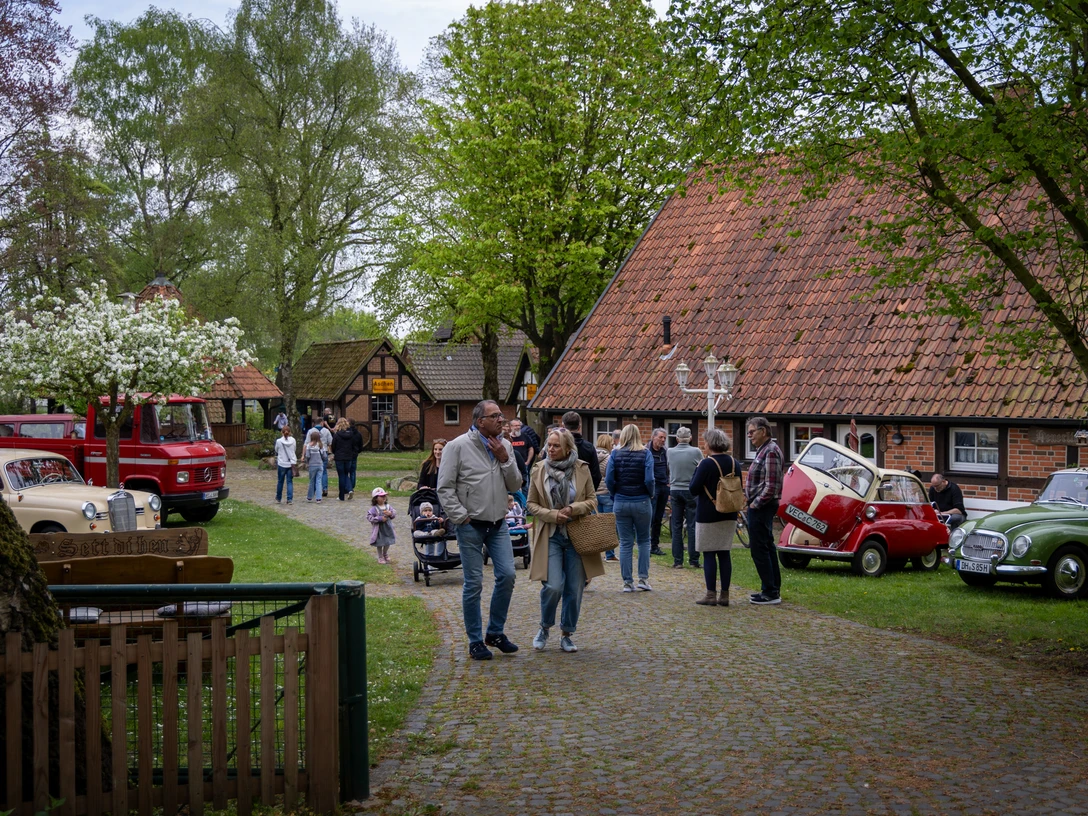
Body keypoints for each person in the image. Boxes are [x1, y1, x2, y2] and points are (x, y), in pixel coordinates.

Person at [437, 400, 524, 660]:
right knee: (474, 583)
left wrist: (505, 459)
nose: (501, 420)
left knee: (508, 576)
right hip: (470, 526)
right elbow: (445, 487)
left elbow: (516, 483)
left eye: (501, 415)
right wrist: (461, 517)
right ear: (480, 421)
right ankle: (475, 640)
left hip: (498, 524)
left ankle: (495, 632)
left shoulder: (505, 445)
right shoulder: (457, 447)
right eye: (494, 416)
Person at [526, 427, 603, 653]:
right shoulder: (539, 469)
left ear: (568, 447)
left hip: (577, 535)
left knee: (574, 587)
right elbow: (531, 504)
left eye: (556, 445)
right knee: (553, 586)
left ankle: (567, 633)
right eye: (549, 444)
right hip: (551, 534)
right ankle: (544, 626)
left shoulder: (582, 469)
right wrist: (552, 514)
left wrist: (573, 508)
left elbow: (592, 500)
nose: (551, 449)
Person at [688, 428, 740, 606]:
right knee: (724, 553)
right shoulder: (735, 463)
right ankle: (725, 595)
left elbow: (693, 488)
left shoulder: (706, 464)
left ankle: (711, 594)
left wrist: (697, 471)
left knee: (709, 553)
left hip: (708, 513)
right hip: (729, 512)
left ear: (710, 444)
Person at [605, 424, 655, 592]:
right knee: (644, 540)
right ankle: (643, 578)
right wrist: (651, 493)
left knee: (625, 543)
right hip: (641, 500)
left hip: (621, 501)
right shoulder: (646, 453)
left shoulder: (615, 454)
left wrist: (615, 494)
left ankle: (627, 582)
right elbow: (649, 479)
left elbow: (609, 479)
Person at [745, 416, 784, 605]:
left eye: (752, 432)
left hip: (762, 506)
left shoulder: (770, 451)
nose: (749, 435)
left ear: (764, 431)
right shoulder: (764, 450)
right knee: (767, 546)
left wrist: (755, 503)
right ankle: (772, 588)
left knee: (760, 549)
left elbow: (772, 485)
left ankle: (770, 592)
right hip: (761, 505)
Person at [667, 426, 703, 568]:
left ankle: (678, 561)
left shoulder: (670, 452)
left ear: (676, 438)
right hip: (691, 490)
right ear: (690, 438)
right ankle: (694, 560)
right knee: (692, 525)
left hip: (675, 490)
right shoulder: (696, 451)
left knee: (676, 525)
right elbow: (701, 468)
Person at [595, 433, 618, 561]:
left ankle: (596, 553)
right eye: (611, 443)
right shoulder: (609, 458)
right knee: (609, 525)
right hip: (606, 493)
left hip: (594, 493)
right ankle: (609, 554)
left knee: (595, 525)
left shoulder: (592, 456)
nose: (613, 445)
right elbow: (610, 476)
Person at [648, 428, 670, 556]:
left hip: (663, 486)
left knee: (658, 518)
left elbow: (669, 467)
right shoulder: (647, 451)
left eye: (664, 438)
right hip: (653, 486)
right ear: (653, 437)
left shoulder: (665, 452)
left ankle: (654, 545)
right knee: (650, 517)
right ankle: (646, 545)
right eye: (661, 437)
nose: (663, 440)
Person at [367, 487, 397, 564]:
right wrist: (380, 518)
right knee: (380, 543)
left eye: (384, 496)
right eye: (381, 496)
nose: (384, 497)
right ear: (375, 498)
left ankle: (385, 553)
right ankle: (380, 557)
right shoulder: (374, 509)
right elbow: (369, 517)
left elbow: (394, 514)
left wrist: (390, 514)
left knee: (388, 541)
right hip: (379, 529)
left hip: (388, 528)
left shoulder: (388, 506)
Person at [331, 418, 356, 501]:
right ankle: (350, 489)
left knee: (341, 476)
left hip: (339, 457)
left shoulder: (337, 435)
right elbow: (353, 446)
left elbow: (333, 446)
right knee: (346, 474)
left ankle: (341, 495)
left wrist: (335, 453)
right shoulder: (351, 434)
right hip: (348, 457)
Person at [508, 419, 536, 487]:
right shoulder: (508, 438)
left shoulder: (525, 436)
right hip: (511, 465)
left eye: (519, 425)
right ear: (511, 427)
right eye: (516, 425)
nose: (518, 427)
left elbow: (531, 449)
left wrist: (528, 461)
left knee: (525, 485)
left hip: (524, 465)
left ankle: (525, 497)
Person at [273, 425, 296, 504]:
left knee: (280, 481)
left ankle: (278, 498)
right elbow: (294, 449)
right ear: (290, 432)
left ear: (281, 432)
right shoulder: (293, 440)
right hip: (290, 463)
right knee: (289, 482)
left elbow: (276, 449)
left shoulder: (279, 441)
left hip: (282, 463)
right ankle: (289, 499)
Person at [302, 429, 326, 503]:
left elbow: (308, 456)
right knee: (318, 481)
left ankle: (309, 497)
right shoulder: (321, 445)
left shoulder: (309, 445)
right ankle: (319, 498)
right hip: (320, 465)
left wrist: (307, 461)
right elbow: (324, 456)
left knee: (312, 481)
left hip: (312, 465)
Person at [347, 419, 364, 495]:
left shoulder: (347, 433)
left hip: (348, 454)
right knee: (353, 471)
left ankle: (349, 487)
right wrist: (358, 451)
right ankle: (352, 486)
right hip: (355, 453)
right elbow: (361, 444)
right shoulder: (358, 433)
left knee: (346, 471)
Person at [319, 418, 333, 498]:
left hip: (314, 452)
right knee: (323, 471)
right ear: (322, 423)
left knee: (314, 471)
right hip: (324, 451)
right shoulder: (326, 431)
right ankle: (325, 488)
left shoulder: (311, 431)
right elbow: (330, 442)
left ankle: (315, 489)